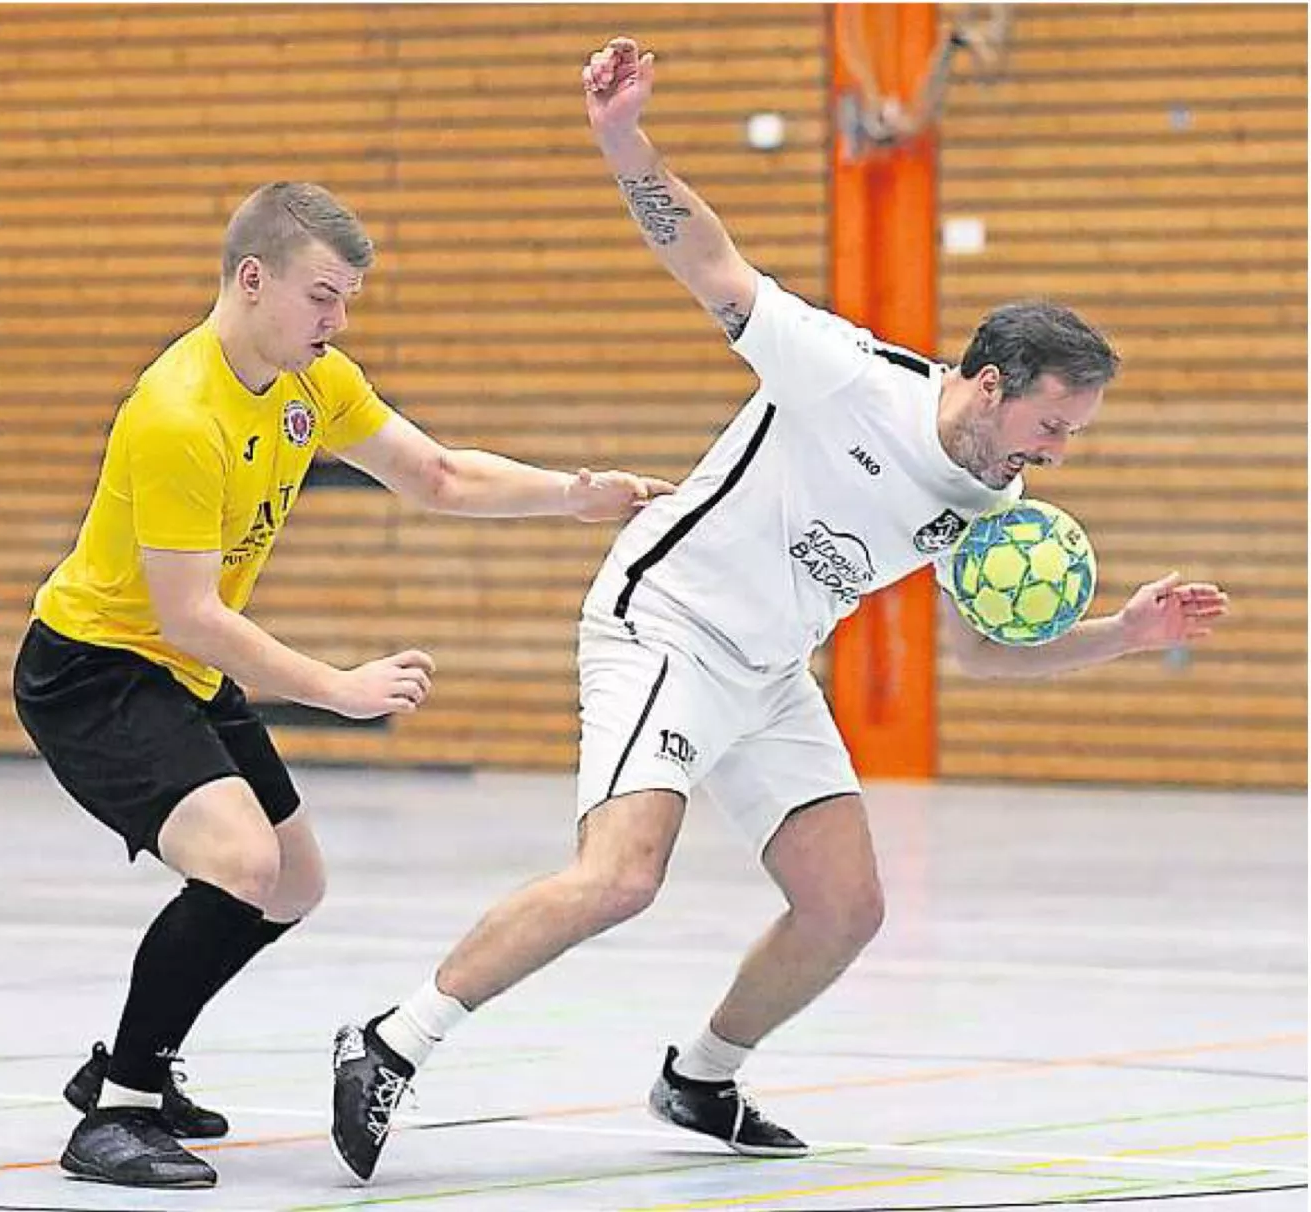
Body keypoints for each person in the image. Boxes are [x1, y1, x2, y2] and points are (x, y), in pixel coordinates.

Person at [328, 38, 1231, 1183]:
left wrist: (1128, 636)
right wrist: (622, 141)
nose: (1056, 454)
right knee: (619, 877)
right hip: (668, 625)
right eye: (1053, 426)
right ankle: (392, 1040)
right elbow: (710, 261)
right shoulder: (845, 375)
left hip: (768, 671)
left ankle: (700, 1075)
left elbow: (987, 657)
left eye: (1073, 438)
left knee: (844, 907)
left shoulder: (990, 491)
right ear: (992, 384)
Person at [12, 180, 674, 1190]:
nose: (339, 320)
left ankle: (129, 1061)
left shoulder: (311, 382)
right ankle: (119, 1108)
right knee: (240, 861)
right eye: (323, 296)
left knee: (294, 882)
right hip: (96, 668)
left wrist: (574, 497)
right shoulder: (177, 413)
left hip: (180, 665)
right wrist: (340, 688)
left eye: (347, 299)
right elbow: (190, 613)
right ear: (251, 279)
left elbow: (438, 476)